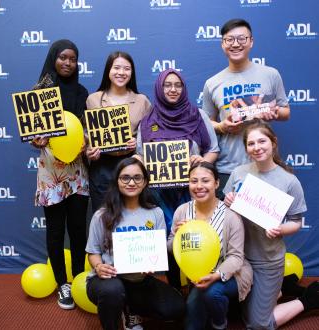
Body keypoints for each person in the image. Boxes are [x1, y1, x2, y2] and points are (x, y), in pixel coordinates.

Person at [224, 119, 319, 329]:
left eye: (262, 141)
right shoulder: (238, 173)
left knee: (257, 324)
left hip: (268, 260)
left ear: (273, 142)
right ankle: (283, 287)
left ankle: (308, 299)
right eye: (251, 143)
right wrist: (228, 201)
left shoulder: (288, 181)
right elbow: (226, 212)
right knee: (234, 312)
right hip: (239, 257)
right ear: (246, 147)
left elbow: (296, 222)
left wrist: (280, 230)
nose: (257, 147)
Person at [86, 158, 185, 330]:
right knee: (112, 291)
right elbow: (92, 252)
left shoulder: (156, 213)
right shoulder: (102, 215)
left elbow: (161, 249)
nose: (131, 182)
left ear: (145, 181)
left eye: (137, 177)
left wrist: (176, 235)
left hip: (140, 280)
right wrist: (99, 266)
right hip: (109, 279)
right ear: (117, 181)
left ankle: (130, 309)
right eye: (125, 178)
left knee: (176, 308)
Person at [202, 18, 290, 199]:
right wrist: (222, 126)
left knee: (262, 227)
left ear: (251, 41)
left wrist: (272, 114)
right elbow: (206, 123)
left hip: (263, 164)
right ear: (222, 44)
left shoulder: (270, 74)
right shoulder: (212, 83)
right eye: (229, 40)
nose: (236, 44)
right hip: (228, 167)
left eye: (242, 39)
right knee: (228, 225)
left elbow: (285, 112)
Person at [31, 39, 89, 309]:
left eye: (73, 59)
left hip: (77, 171)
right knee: (55, 231)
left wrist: (86, 141)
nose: (67, 63)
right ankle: (62, 284)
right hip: (51, 172)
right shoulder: (39, 93)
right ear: (53, 58)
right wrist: (36, 140)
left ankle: (79, 278)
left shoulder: (82, 92)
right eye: (62, 57)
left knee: (78, 229)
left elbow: (87, 131)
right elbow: (32, 134)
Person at [167, 161, 253, 330]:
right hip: (199, 278)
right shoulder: (182, 211)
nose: (199, 186)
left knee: (212, 293)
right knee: (191, 325)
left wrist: (215, 276)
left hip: (232, 274)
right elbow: (170, 248)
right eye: (193, 181)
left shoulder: (231, 216)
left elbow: (236, 257)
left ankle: (219, 324)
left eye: (205, 181)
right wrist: (177, 236)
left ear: (216, 183)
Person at [137, 68, 219, 233]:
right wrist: (140, 161)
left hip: (193, 189)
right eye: (167, 85)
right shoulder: (147, 121)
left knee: (192, 235)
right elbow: (140, 155)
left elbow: (213, 150)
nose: (173, 90)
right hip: (158, 194)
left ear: (183, 88)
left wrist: (202, 162)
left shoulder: (198, 115)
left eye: (178, 85)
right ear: (159, 88)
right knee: (165, 238)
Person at [86, 51, 151, 213]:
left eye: (127, 69)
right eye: (116, 68)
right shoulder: (93, 99)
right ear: (108, 70)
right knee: (103, 219)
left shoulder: (142, 101)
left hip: (132, 165)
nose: (121, 72)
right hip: (101, 167)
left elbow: (151, 136)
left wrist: (137, 145)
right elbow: (86, 136)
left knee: (131, 218)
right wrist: (89, 151)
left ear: (132, 72)